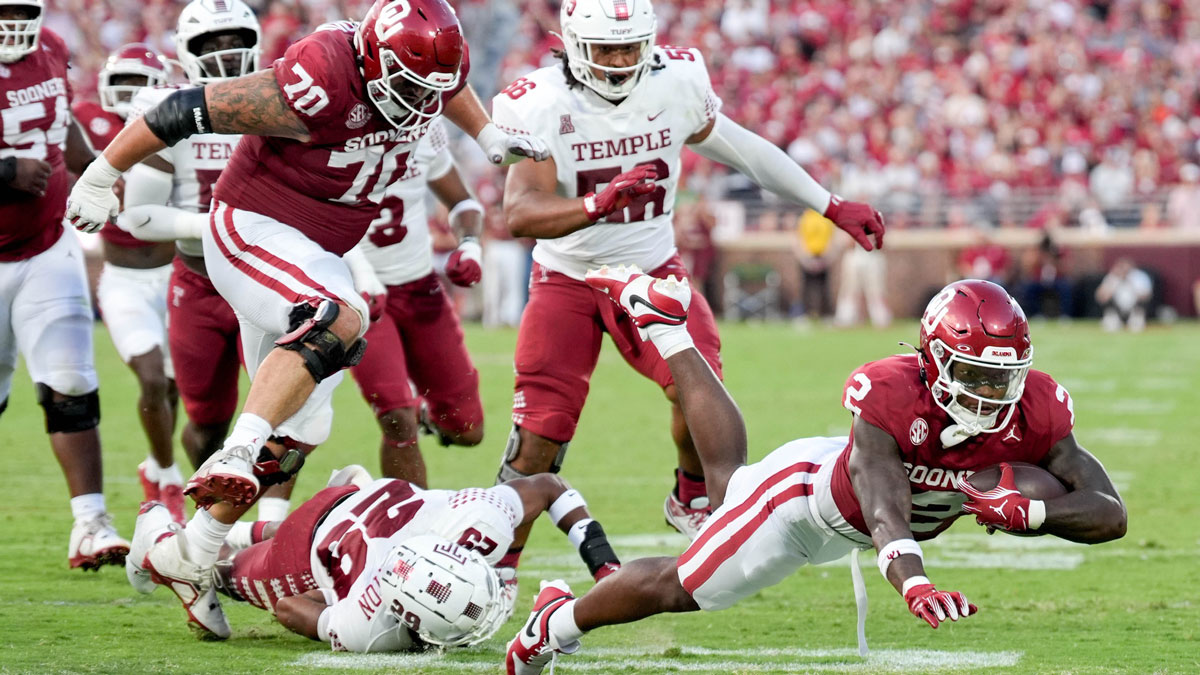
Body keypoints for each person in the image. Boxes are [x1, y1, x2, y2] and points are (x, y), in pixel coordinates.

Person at [65, 0, 548, 635]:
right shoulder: (321, 76)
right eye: (404, 86)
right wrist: (103, 173)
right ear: (371, 62)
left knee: (303, 428)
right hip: (253, 226)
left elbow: (447, 83)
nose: (416, 105)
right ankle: (232, 455)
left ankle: (189, 552)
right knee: (339, 317)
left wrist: (487, 136)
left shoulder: (424, 72)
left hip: (316, 249)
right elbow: (183, 108)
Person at [505, 273, 1127, 674]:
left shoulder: (1036, 408)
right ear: (935, 360)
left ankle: (668, 330)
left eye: (1005, 377)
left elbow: (1108, 509)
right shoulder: (891, 392)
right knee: (683, 585)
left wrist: (1038, 513)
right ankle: (553, 622)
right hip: (804, 502)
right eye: (978, 376)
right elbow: (885, 508)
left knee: (725, 487)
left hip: (850, 523)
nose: (994, 394)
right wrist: (914, 584)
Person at [489, 0, 884, 542]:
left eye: (630, 45)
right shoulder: (540, 103)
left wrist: (829, 204)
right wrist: (595, 205)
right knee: (540, 433)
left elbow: (742, 149)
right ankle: (492, 553)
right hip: (568, 277)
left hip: (651, 268)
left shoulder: (673, 82)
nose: (620, 59)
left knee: (701, 389)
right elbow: (519, 212)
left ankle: (695, 498)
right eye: (606, 47)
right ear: (574, 46)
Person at [127, 465, 621, 644]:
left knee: (317, 525)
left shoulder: (480, 522)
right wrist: (328, 606)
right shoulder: (375, 621)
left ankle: (258, 529)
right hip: (309, 551)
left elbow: (550, 488)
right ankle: (159, 533)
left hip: (360, 502)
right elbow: (288, 608)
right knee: (214, 572)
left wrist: (607, 568)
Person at [112, 0, 263, 516]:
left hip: (262, 279)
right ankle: (206, 516)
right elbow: (141, 216)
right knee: (206, 420)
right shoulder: (168, 106)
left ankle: (262, 524)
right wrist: (220, 226)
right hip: (197, 281)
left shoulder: (276, 102)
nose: (225, 54)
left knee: (278, 418)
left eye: (235, 41)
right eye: (210, 44)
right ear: (186, 52)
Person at [0, 0, 130, 570]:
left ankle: (91, 524)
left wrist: (96, 171)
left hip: (47, 244)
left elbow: (60, 124)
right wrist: (5, 170)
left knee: (72, 385)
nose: (13, 22)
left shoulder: (49, 46)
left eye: (20, 9)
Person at [74, 43, 187, 523]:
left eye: (141, 84)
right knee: (151, 378)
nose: (131, 95)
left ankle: (156, 469)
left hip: (175, 274)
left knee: (177, 387)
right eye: (122, 84)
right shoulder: (87, 121)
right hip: (122, 279)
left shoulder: (179, 122)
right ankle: (168, 473)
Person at [344, 117, 487, 485]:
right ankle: (409, 527)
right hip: (361, 294)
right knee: (396, 418)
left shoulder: (424, 124)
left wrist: (470, 244)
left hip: (420, 288)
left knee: (467, 430)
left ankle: (425, 413)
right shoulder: (332, 128)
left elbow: (462, 202)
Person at [1095, 258, 1153, 333]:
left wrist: (1130, 283)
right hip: (1116, 309)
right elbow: (1100, 297)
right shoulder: (1112, 277)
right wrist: (1114, 284)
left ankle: (1136, 320)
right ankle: (1112, 319)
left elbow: (1146, 296)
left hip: (1135, 309)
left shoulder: (1140, 277)